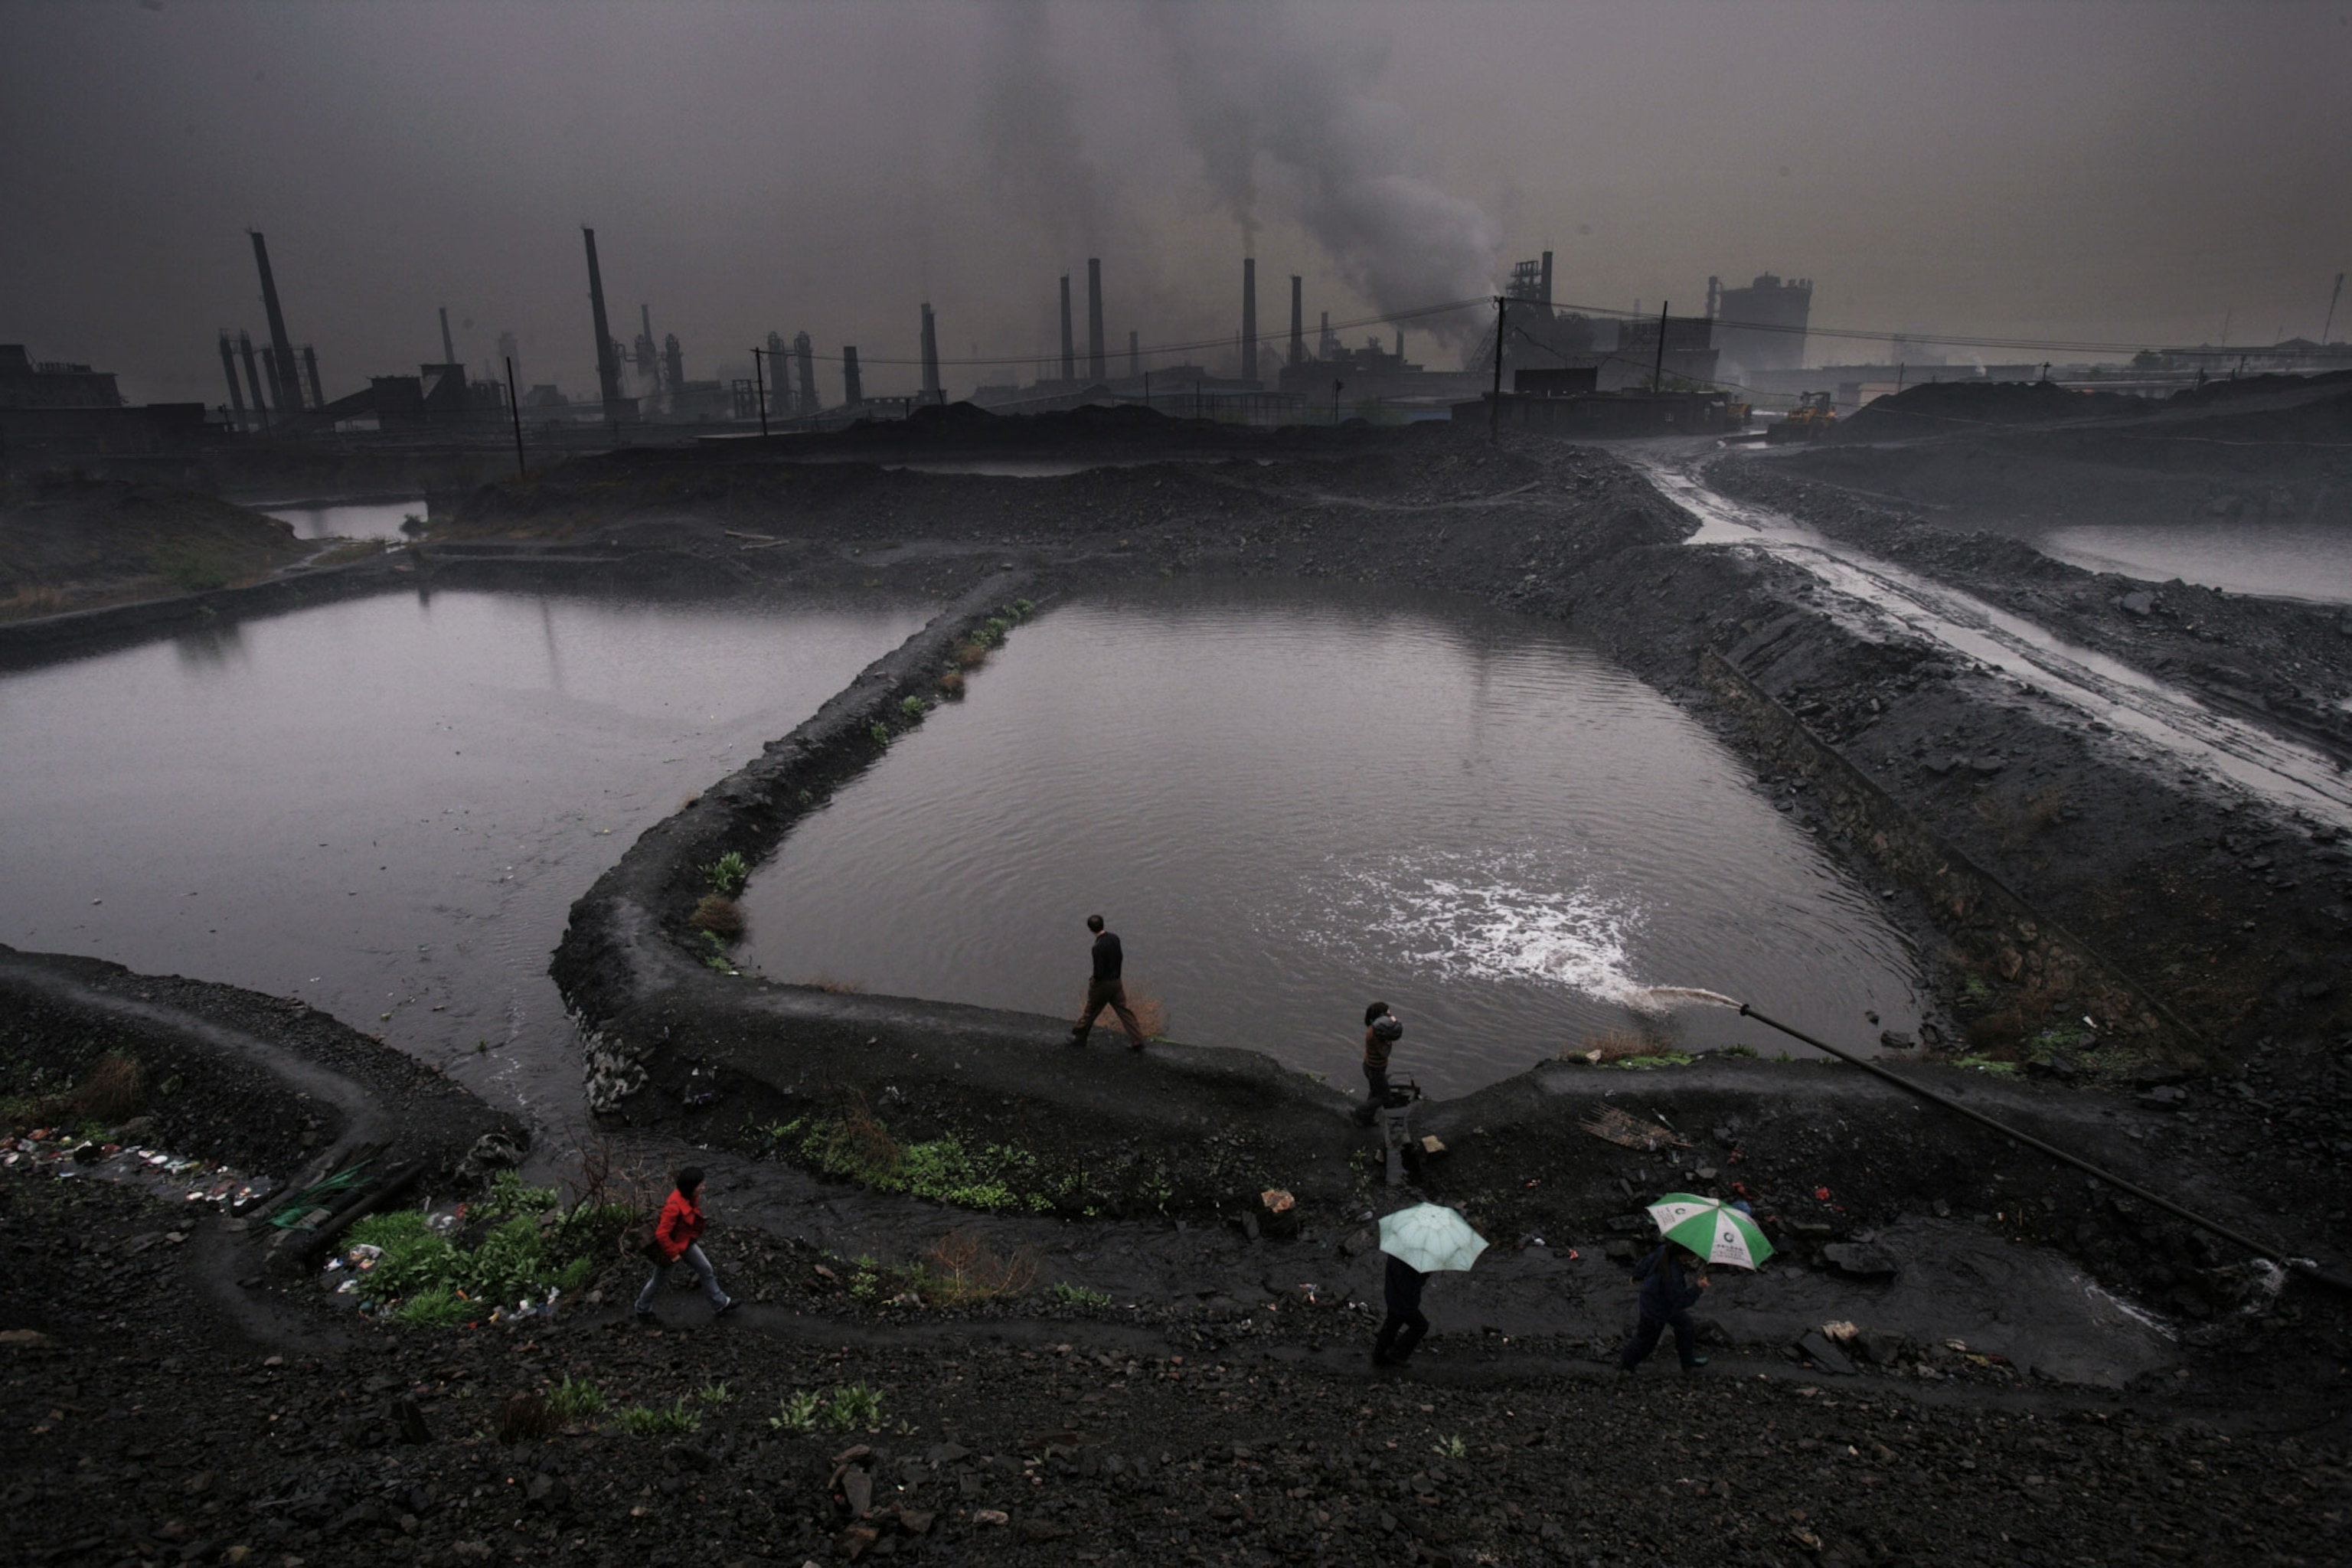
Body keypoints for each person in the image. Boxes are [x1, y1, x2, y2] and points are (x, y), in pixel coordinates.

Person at [635, 1165, 737, 1322]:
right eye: (700, 1185)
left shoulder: (689, 1198)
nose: (704, 1187)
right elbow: (661, 1234)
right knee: (658, 1282)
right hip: (672, 1248)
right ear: (691, 1187)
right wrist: (674, 1254)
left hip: (685, 1243)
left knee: (706, 1269)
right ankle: (642, 1309)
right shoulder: (674, 1207)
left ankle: (721, 1303)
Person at [1618, 1240, 1710, 1372]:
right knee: (1646, 1340)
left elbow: (1647, 1262)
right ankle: (1627, 1363)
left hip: (1656, 1298)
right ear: (1686, 1256)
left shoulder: (1664, 1250)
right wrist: (1698, 1288)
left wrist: (1637, 1274)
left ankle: (1687, 1360)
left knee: (1686, 1325)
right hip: (1656, 1308)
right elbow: (1680, 1301)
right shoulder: (1673, 1276)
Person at [1068, 913, 1148, 1050]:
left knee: (1090, 1011)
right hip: (1117, 982)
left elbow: (1098, 972)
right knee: (1124, 1011)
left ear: (1090, 929)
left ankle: (1078, 1037)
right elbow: (1120, 957)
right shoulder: (1115, 938)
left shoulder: (1097, 947)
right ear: (1103, 924)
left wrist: (1094, 981)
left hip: (1103, 985)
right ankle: (1138, 1040)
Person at [1372, 1252, 1430, 1367]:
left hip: (1393, 1294)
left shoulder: (1398, 1253)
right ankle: (1396, 1354)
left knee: (1392, 1323)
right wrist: (1425, 1274)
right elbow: (1412, 1284)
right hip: (1403, 1301)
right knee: (1420, 1326)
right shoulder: (1412, 1260)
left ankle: (1380, 1356)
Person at [1358, 1001, 1403, 1125]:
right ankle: (1361, 1111)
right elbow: (1392, 1034)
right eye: (1388, 1012)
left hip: (1372, 1067)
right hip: (1375, 1069)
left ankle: (1366, 1119)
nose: (1390, 1014)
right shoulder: (1377, 1033)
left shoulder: (1374, 1029)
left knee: (1374, 1092)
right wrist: (1394, 1021)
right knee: (1385, 1097)